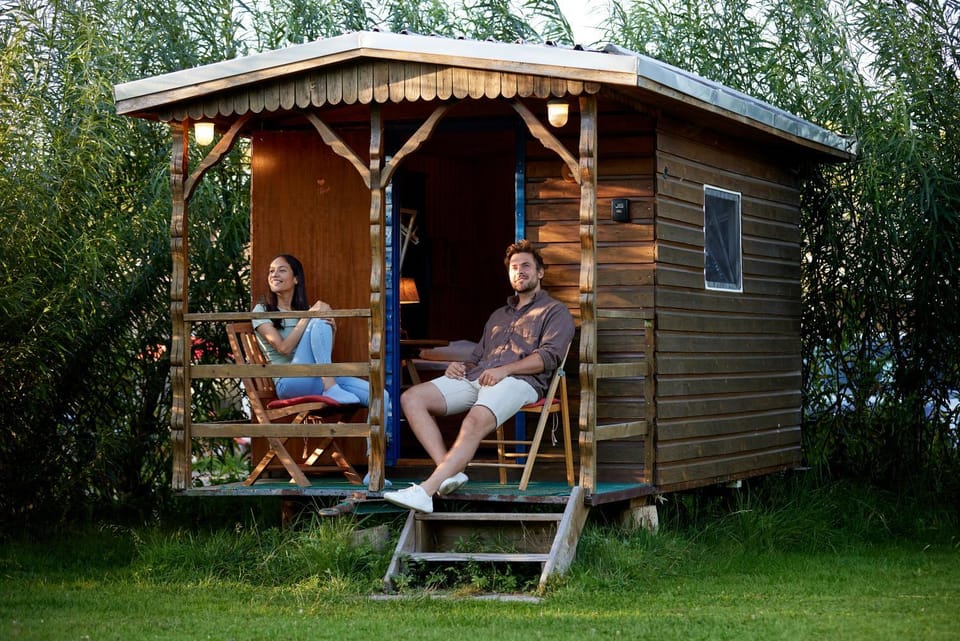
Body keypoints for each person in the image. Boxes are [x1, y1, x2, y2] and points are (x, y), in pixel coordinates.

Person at [383, 239, 575, 513]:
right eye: (514, 267)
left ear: (540, 272)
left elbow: (548, 358)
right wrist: (457, 367)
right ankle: (449, 473)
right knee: (412, 398)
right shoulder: (498, 316)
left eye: (526, 266)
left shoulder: (555, 311)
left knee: (473, 421)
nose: (519, 271)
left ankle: (426, 490)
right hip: (479, 377)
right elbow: (476, 358)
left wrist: (505, 370)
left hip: (520, 382)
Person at [252, 253, 370, 406]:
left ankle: (330, 385)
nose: (274, 275)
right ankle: (330, 385)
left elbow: (322, 355)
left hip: (316, 376)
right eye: (271, 271)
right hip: (288, 382)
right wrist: (310, 316)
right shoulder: (262, 310)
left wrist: (332, 331)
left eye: (282, 270)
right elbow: (283, 348)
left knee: (380, 397)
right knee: (319, 317)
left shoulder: (305, 311)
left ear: (296, 279)